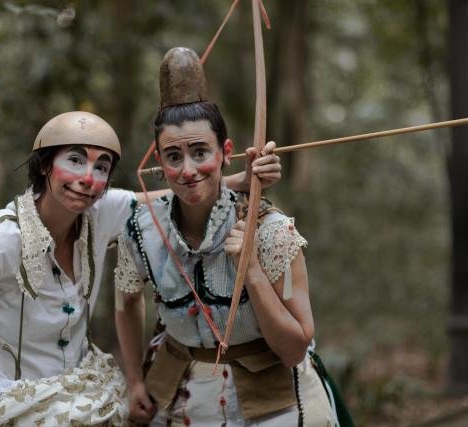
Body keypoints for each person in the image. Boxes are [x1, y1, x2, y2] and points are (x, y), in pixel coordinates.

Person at [0, 110, 282, 426]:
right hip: (10, 398)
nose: (88, 179)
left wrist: (241, 179)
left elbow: (168, 195)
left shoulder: (101, 212)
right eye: (74, 160)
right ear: (45, 165)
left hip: (76, 387)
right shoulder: (5, 237)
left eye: (101, 167)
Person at [114, 47, 336, 426]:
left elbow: (295, 348)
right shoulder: (140, 228)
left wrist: (250, 270)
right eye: (173, 156)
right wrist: (135, 380)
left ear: (226, 151)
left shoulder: (270, 230)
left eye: (201, 152)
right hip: (177, 385)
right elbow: (127, 301)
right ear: (159, 163)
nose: (188, 170)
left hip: (272, 394)